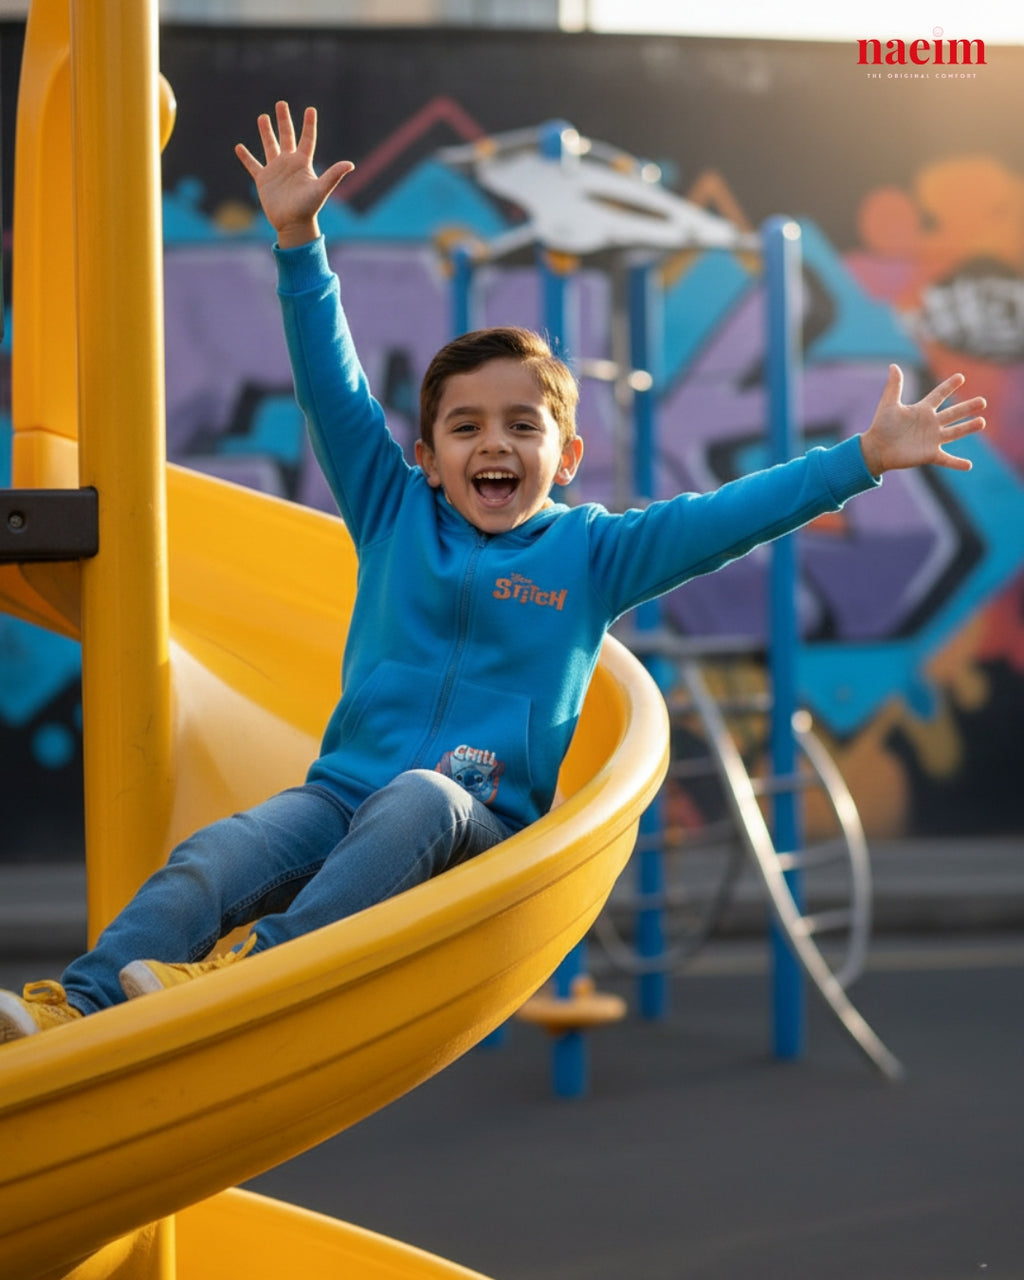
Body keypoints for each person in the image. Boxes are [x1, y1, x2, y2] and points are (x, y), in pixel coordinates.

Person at [0, 103, 987, 1042]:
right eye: (465, 427)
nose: (494, 444)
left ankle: (248, 975)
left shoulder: (593, 553)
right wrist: (299, 242)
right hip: (341, 797)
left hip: (474, 826)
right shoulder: (392, 511)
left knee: (420, 796)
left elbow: (727, 517)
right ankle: (76, 1003)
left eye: (523, 425)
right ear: (426, 457)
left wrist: (860, 458)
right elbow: (331, 388)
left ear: (566, 455)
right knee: (214, 853)